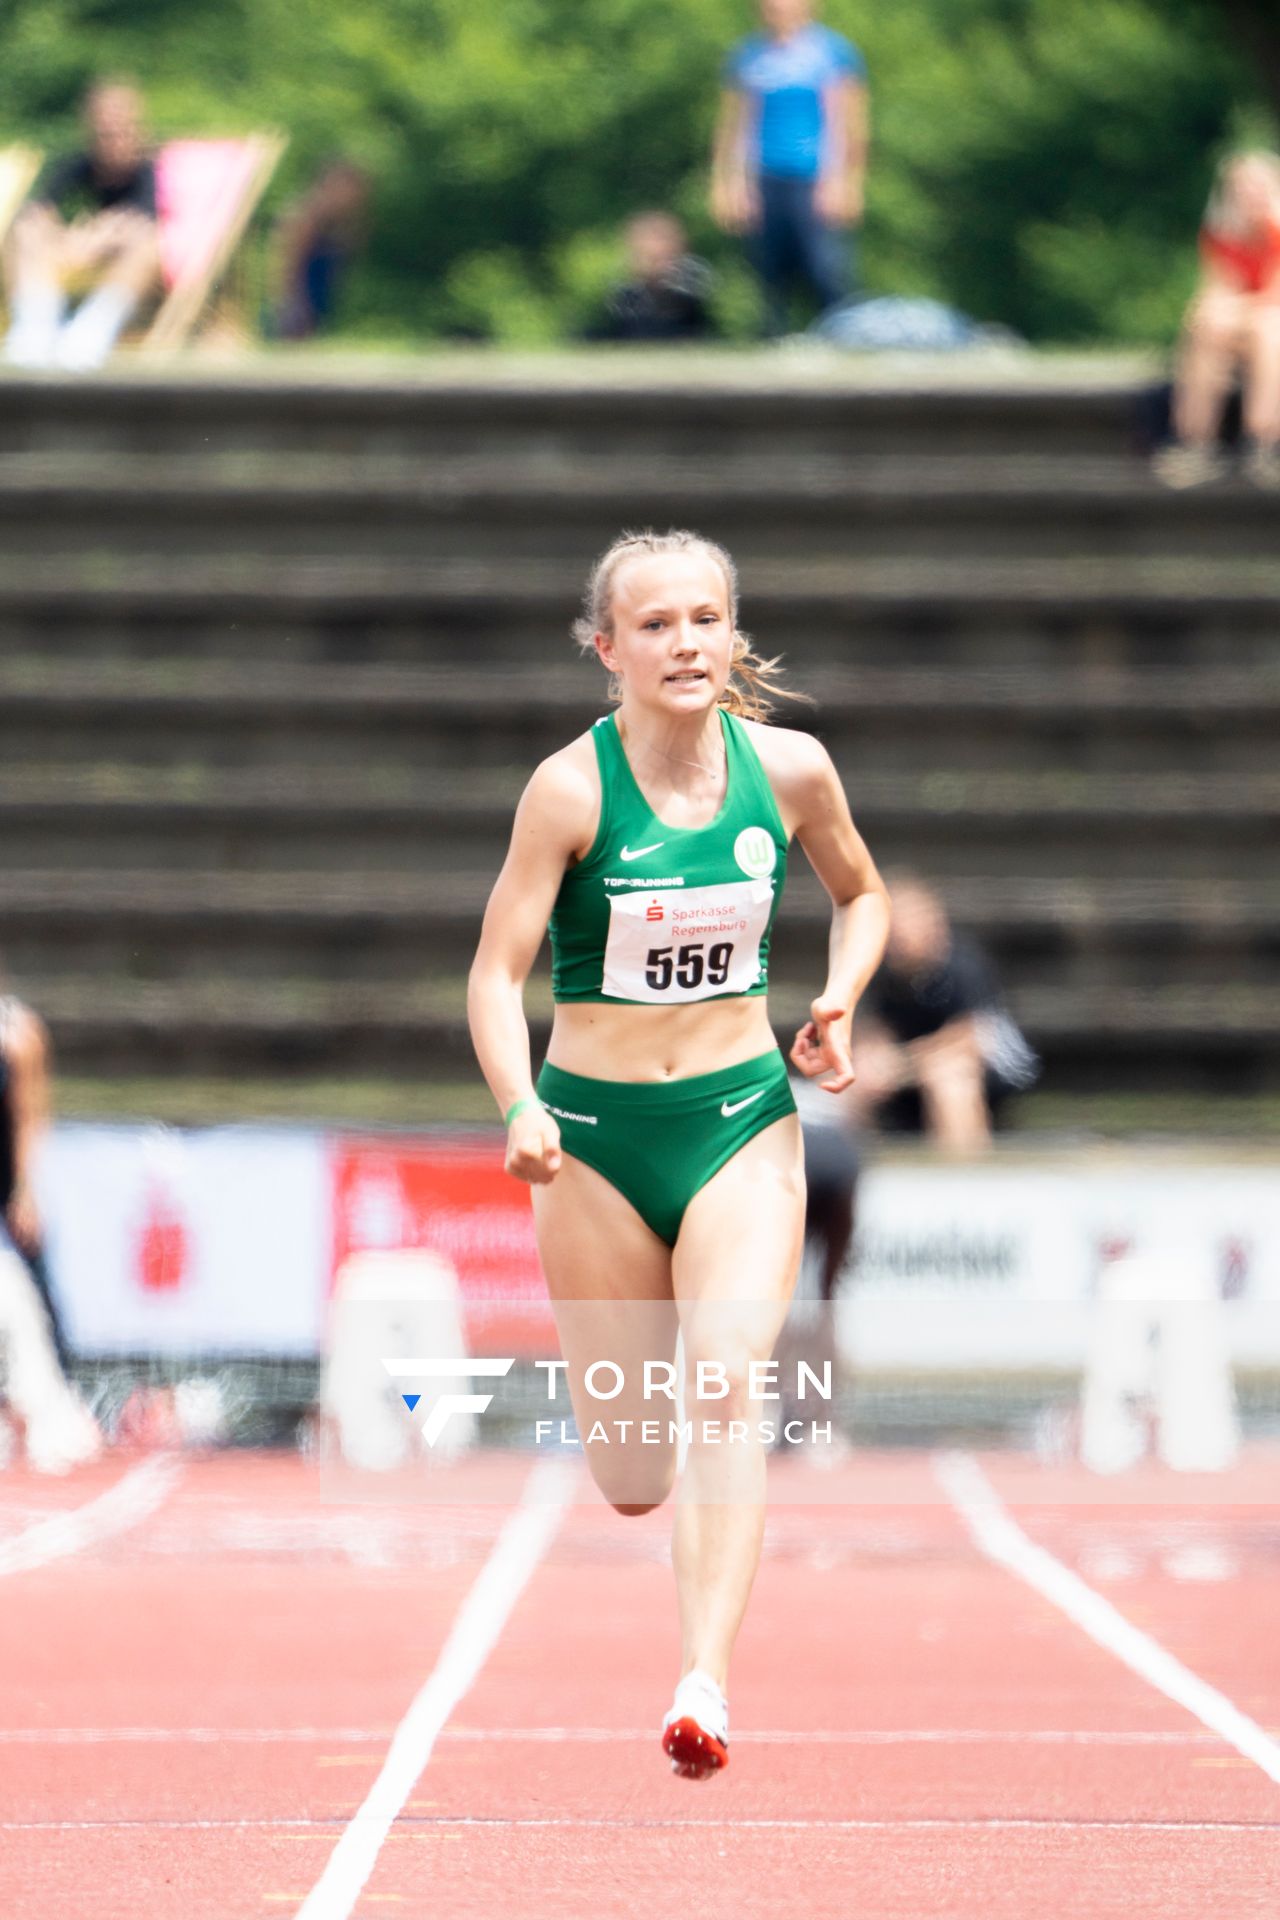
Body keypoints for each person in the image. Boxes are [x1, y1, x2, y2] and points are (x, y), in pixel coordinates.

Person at [468, 528, 888, 1778]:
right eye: (653, 624)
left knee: (723, 1387)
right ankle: (664, 1552)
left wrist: (839, 996)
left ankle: (702, 1681)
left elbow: (860, 895)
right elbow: (495, 973)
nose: (685, 642)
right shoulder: (569, 790)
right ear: (606, 649)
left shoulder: (792, 771)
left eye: (704, 618)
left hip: (739, 1125)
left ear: (733, 635)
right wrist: (516, 1105)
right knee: (635, 1475)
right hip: (590, 1146)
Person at [711, 0, 868, 337]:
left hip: (815, 178)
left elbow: (850, 123)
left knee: (826, 270)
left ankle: (842, 339)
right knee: (768, 272)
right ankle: (774, 345)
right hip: (765, 176)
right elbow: (734, 126)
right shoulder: (749, 56)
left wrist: (846, 183)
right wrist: (730, 184)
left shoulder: (833, 53)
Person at [854, 873, 1040, 1155]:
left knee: (950, 1078)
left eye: (906, 922)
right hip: (911, 1069)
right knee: (853, 1077)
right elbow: (875, 1032)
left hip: (992, 1070)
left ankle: (964, 1177)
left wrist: (903, 1064)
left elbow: (969, 1040)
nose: (898, 935)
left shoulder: (963, 967)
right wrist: (875, 1064)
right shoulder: (881, 972)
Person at [0, 987, 101, 1471]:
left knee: (35, 1289)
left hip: (5, 1179)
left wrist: (24, 1188)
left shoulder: (16, 1031)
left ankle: (58, 1402)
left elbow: (30, 1114)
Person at [2, 77, 162, 371]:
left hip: (135, 261)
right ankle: (34, 328)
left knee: (143, 238)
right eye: (103, 132)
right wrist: (69, 239)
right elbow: (39, 207)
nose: (111, 138)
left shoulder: (150, 169)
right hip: (77, 254)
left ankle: (91, 333)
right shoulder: (79, 164)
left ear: (137, 127)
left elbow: (144, 218)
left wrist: (95, 237)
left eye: (119, 129)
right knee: (27, 227)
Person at [1156, 151, 1280, 489]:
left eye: (1255, 186)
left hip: (1268, 320)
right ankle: (1196, 441)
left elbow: (1274, 294)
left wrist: (1230, 310)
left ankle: (1265, 440)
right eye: (1240, 188)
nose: (1248, 195)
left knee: (1268, 330)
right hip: (1246, 320)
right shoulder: (1223, 234)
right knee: (1208, 325)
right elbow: (1217, 290)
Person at [269, 158, 371, 341]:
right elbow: (289, 263)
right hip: (300, 300)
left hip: (320, 297)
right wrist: (294, 304)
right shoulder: (307, 216)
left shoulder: (340, 220)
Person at [586, 211, 714, 344]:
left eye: (665, 257)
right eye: (651, 258)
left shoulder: (695, 282)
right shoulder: (621, 291)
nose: (659, 264)